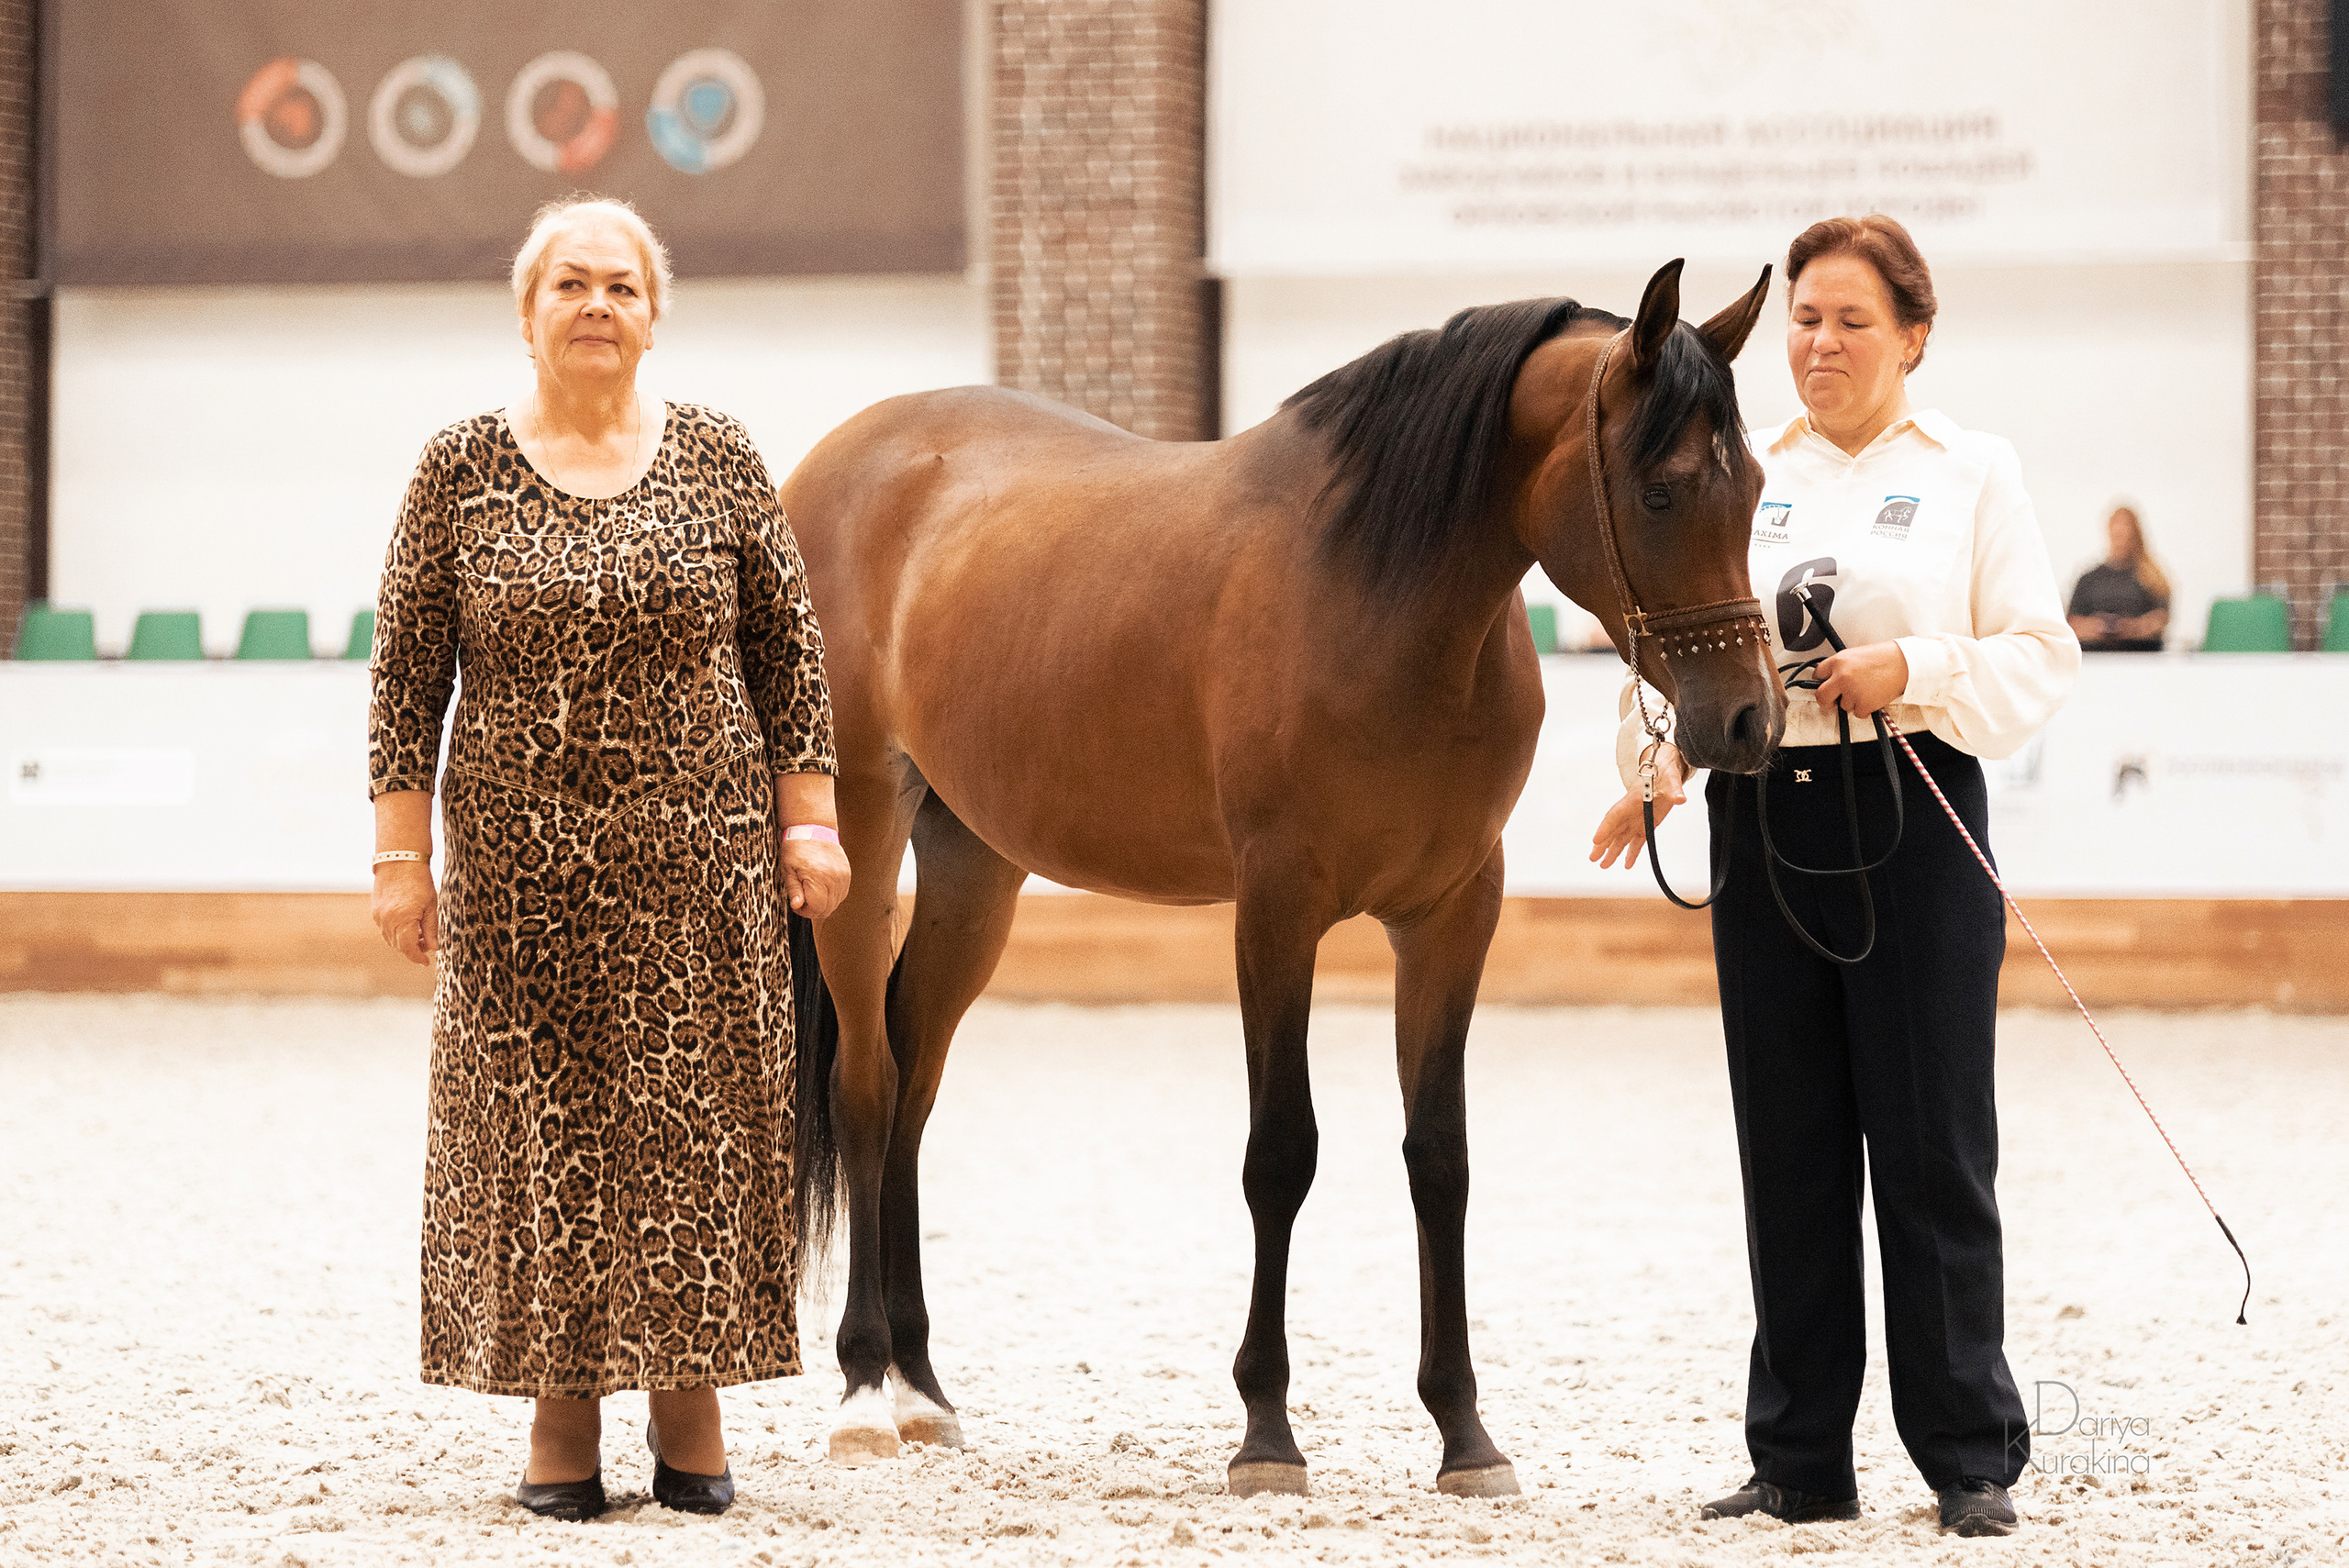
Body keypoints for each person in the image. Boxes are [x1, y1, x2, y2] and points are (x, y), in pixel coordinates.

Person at [1589, 215, 2079, 1537]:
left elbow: (2041, 653)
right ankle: (1799, 1455)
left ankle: (1968, 1453)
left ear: (1913, 336)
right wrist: (1654, 761)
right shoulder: (1749, 471)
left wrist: (1911, 669)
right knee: (1788, 1146)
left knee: (1930, 1147)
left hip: (1913, 811)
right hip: (1762, 817)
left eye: (1854, 320)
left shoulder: (1974, 470)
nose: (1821, 342)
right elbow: (1672, 637)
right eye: (1806, 317)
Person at [366, 195, 850, 1522]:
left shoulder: (717, 455)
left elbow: (792, 656)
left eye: (621, 287)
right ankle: (560, 1408)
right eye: (570, 284)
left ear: (654, 316)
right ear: (527, 313)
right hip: (522, 869)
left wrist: (811, 823)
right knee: (544, 1137)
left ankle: (689, 1397)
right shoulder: (458, 467)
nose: (596, 305)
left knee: (695, 1128)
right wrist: (399, 860)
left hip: (703, 860)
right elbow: (406, 676)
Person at [2066, 506, 2171, 651]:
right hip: (2096, 656)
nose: (2121, 539)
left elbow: (2161, 620)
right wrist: (2098, 628)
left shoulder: (2152, 578)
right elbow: (2072, 623)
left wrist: (2131, 628)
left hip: (2141, 656)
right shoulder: (2089, 580)